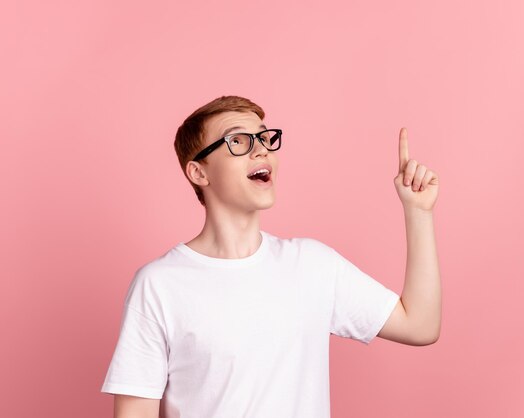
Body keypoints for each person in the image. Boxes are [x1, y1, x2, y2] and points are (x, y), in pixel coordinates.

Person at [101, 95, 442, 418]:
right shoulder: (159, 285)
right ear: (199, 173)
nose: (261, 151)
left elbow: (420, 325)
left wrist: (418, 213)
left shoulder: (312, 265)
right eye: (238, 141)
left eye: (264, 139)